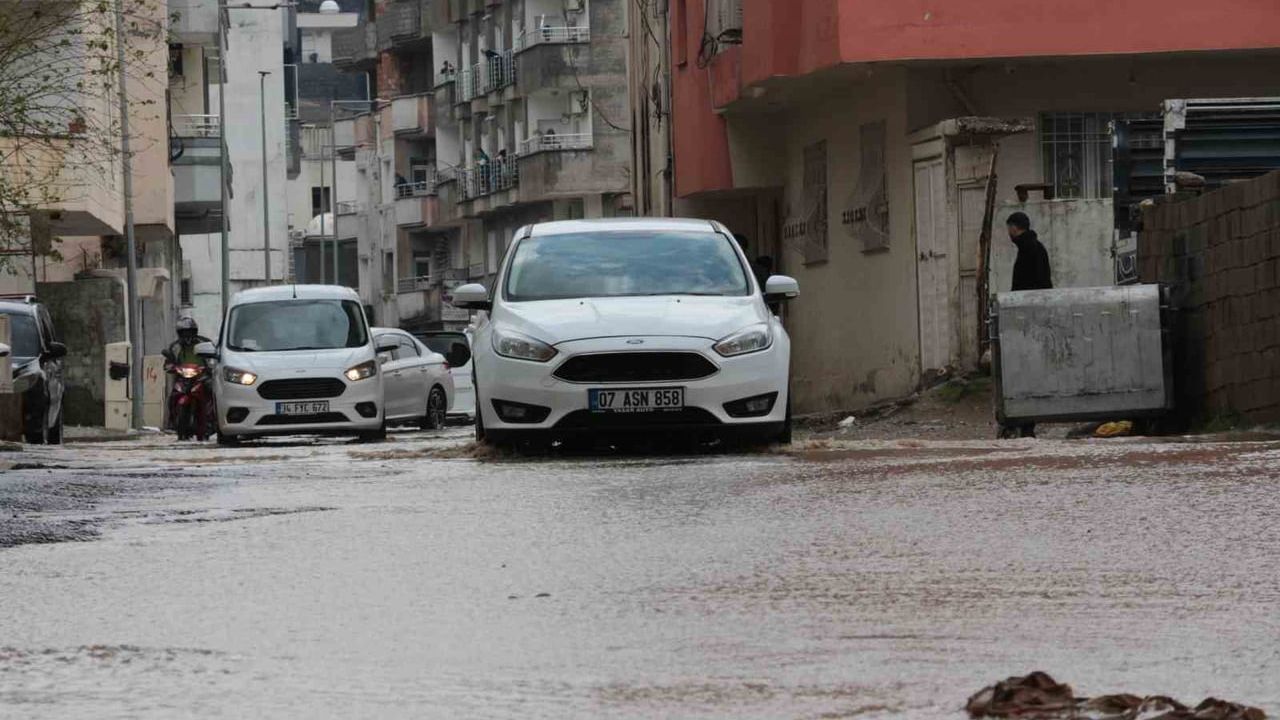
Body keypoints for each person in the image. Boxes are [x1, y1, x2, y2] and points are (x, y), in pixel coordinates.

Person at [1001, 212, 1052, 439]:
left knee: (1027, 370)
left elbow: (1037, 284)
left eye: (1009, 229)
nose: (1009, 234)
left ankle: (1027, 423)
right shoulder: (1031, 248)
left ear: (1014, 228)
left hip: (1030, 320)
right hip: (1030, 318)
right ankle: (1025, 422)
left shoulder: (1030, 249)